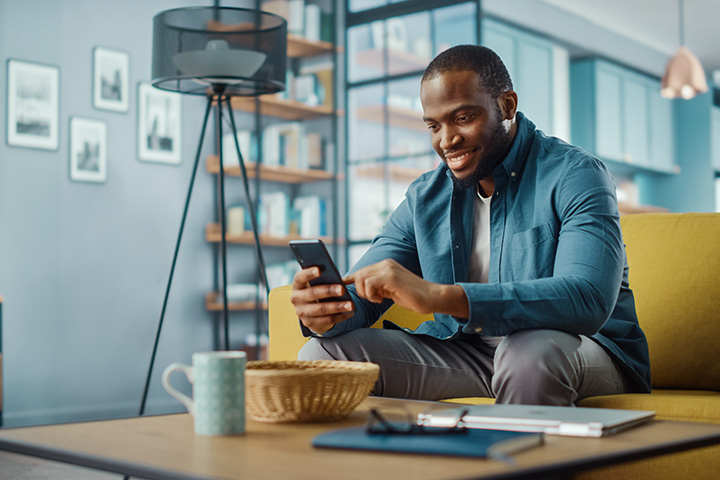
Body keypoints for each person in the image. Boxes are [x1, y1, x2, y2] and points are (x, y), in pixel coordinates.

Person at [290, 44, 650, 406]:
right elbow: (362, 291)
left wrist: (440, 296)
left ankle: (517, 463)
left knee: (527, 352)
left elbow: (585, 299)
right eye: (434, 126)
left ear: (507, 106)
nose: (446, 140)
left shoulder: (576, 174)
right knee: (322, 354)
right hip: (467, 354)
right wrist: (326, 311)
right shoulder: (425, 196)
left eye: (463, 118)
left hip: (578, 352)